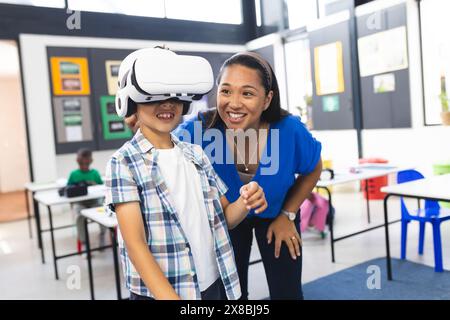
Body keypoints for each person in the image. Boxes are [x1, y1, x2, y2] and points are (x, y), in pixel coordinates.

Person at [126, 51, 322, 300]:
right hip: (226, 219)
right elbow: (158, 145)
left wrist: (288, 214)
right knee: (231, 295)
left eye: (247, 93)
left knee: (288, 293)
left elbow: (313, 169)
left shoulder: (289, 129)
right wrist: (142, 122)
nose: (234, 103)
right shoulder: (199, 129)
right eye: (226, 91)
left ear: (267, 99)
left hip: (278, 214)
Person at [105, 47, 268, 300]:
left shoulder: (196, 155)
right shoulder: (123, 163)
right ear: (131, 100)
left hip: (213, 283)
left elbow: (224, 218)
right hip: (164, 292)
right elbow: (135, 245)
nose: (167, 104)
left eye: (173, 95)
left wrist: (246, 201)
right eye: (154, 95)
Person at [67, 148, 106, 249]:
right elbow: (68, 189)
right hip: (80, 203)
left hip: (94, 202)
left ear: (90, 161)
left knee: (103, 214)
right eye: (82, 163)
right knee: (79, 216)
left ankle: (102, 235)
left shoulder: (95, 173)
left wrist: (94, 185)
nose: (84, 165)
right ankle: (84, 242)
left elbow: (102, 188)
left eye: (86, 162)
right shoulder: (74, 174)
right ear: (78, 161)